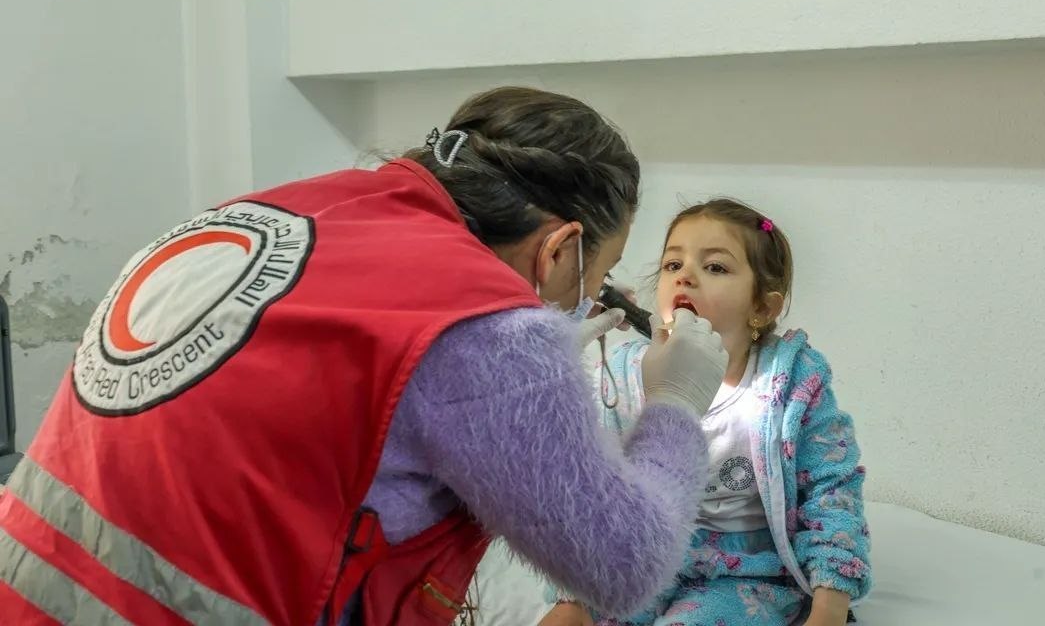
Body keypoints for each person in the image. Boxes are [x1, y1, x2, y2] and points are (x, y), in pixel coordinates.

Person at [0, 87, 732, 626]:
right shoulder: (493, 334)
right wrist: (676, 402)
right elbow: (627, 567)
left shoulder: (279, 210)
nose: (597, 295)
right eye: (601, 273)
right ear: (561, 248)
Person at [541, 199, 872, 626]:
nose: (685, 276)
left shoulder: (792, 382)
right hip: (646, 559)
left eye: (715, 267)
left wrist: (830, 605)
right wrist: (572, 598)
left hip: (743, 576)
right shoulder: (623, 373)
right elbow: (591, 487)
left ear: (762, 308)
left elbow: (832, 491)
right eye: (672, 264)